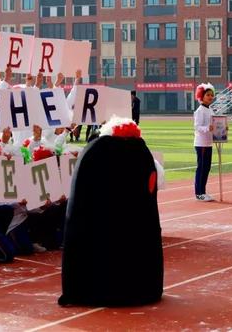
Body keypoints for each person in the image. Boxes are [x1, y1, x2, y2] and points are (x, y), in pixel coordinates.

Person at [59, 117, 163, 307]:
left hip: (96, 262)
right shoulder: (141, 153)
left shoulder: (93, 154)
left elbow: (79, 207)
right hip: (139, 278)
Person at [193, 83, 215, 202]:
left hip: (208, 143)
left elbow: (214, 124)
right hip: (201, 143)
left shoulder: (210, 109)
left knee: (206, 168)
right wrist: (208, 128)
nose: (210, 97)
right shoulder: (200, 110)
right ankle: (199, 193)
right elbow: (197, 127)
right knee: (201, 168)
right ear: (202, 96)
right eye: (208, 95)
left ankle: (203, 191)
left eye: (212, 95)